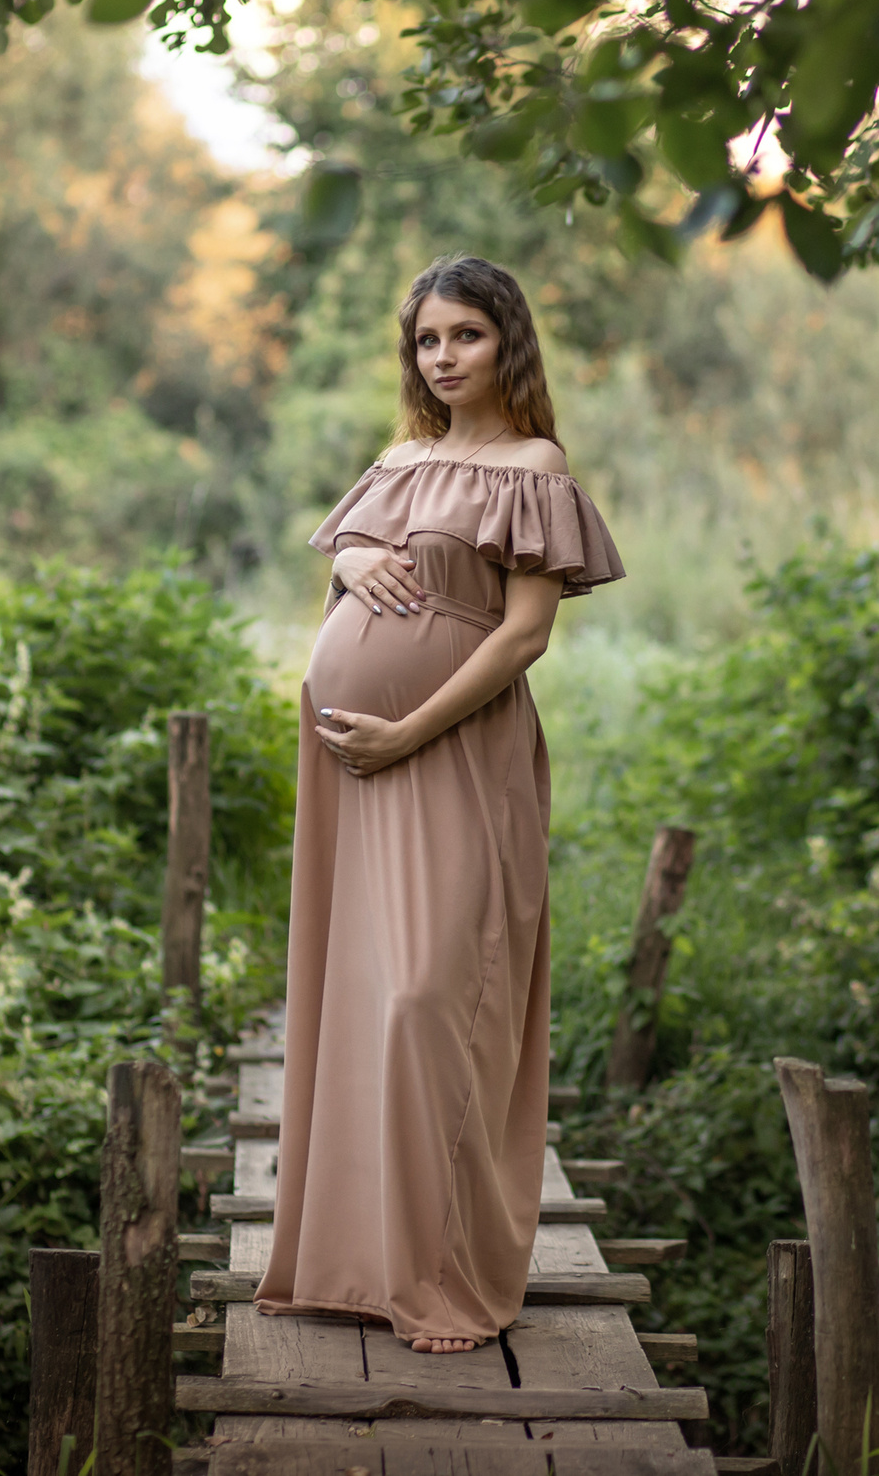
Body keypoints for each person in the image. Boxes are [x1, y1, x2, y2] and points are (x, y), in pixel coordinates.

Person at [255, 255, 625, 1354]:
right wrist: (358, 557)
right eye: (426, 340)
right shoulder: (397, 459)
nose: (444, 357)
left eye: (464, 334)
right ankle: (353, 1265)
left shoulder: (534, 464)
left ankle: (446, 1278)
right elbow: (346, 574)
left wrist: (410, 727)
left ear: (506, 340)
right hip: (350, 769)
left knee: (429, 998)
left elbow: (522, 635)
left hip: (454, 758)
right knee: (361, 999)